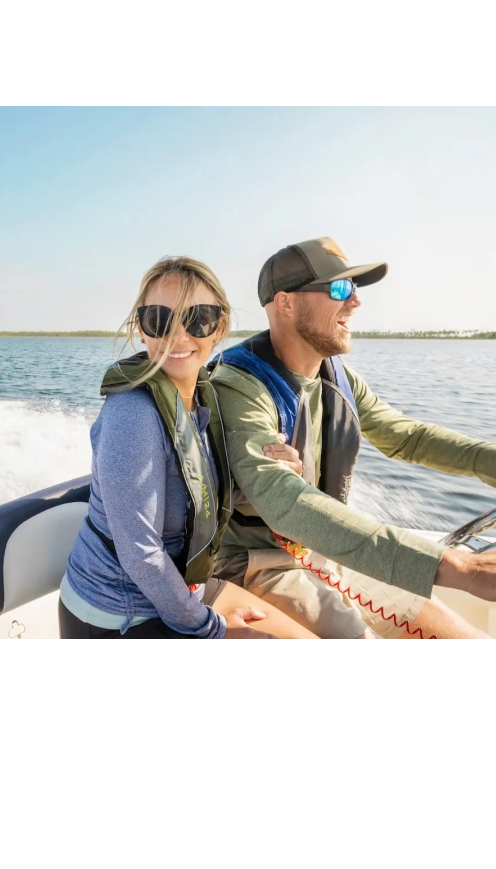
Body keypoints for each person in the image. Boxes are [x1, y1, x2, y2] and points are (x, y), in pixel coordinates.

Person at [210, 236, 496, 640]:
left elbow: (408, 437)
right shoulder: (239, 387)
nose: (355, 301)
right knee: (357, 641)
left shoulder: (336, 378)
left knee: (467, 641)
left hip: (327, 548)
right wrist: (461, 567)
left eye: (355, 288)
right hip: (256, 561)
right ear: (286, 303)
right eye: (339, 288)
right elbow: (286, 503)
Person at [58, 256, 317, 644]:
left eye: (198, 319)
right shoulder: (133, 415)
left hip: (183, 586)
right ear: (141, 329)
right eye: (159, 320)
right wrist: (212, 626)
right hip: (121, 612)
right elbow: (141, 553)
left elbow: (196, 492)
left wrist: (271, 476)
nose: (178, 337)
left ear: (219, 328)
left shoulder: (200, 399)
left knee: (305, 642)